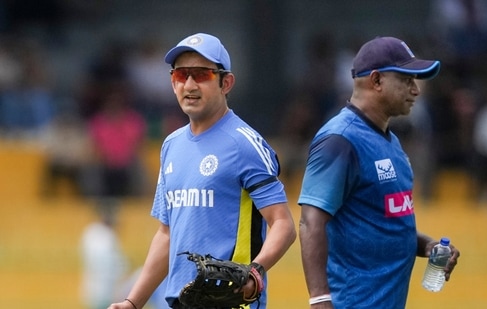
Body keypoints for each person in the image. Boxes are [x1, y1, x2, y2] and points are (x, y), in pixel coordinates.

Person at [108, 33, 296, 309]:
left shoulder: (244, 144)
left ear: (226, 83)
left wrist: (255, 272)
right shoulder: (171, 145)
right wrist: (133, 302)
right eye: (181, 75)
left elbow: (283, 224)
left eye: (202, 75)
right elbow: (166, 235)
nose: (190, 84)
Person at [298, 36, 461, 308]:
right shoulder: (341, 139)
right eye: (407, 80)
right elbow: (310, 222)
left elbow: (385, 223)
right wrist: (320, 300)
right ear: (376, 81)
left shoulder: (391, 142)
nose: (416, 90)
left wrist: (426, 245)